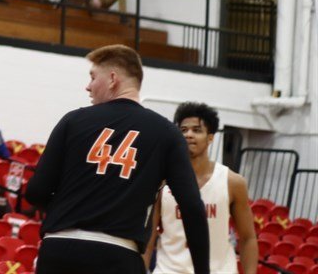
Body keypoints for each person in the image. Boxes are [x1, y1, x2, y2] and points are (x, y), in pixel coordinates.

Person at [25, 45, 210, 274]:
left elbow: (36, 192)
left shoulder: (72, 121)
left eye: (93, 77)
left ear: (113, 79)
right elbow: (192, 207)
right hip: (118, 255)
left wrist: (70, 210)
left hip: (59, 250)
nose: (88, 86)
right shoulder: (167, 133)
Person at [146, 103, 257, 274]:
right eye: (183, 130)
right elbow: (149, 237)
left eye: (197, 130)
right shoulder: (161, 181)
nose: (189, 134)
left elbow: (248, 238)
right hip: (169, 270)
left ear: (210, 137)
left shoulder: (233, 182)